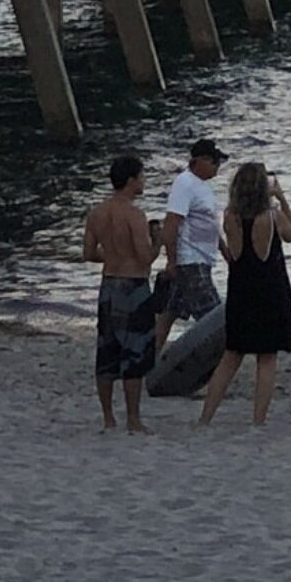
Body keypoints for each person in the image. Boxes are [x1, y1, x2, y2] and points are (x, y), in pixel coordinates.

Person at [198, 163, 291, 427]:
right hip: (270, 290)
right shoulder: (272, 216)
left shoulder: (230, 215)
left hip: (241, 289)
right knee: (266, 358)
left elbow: (233, 253)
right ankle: (258, 420)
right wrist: (281, 197)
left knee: (231, 355)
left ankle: (206, 417)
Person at [83, 155, 157, 433]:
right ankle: (133, 419)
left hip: (109, 283)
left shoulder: (97, 213)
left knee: (107, 350)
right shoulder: (134, 215)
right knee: (134, 353)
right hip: (133, 286)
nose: (144, 181)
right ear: (130, 181)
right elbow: (144, 257)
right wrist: (159, 243)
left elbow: (89, 253)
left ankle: (108, 417)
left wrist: (114, 254)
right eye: (141, 176)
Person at [155, 139, 230, 352]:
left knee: (167, 316)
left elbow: (210, 225)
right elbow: (172, 223)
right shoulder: (185, 182)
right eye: (215, 161)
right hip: (190, 262)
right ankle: (216, 363)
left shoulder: (203, 187)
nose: (217, 166)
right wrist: (171, 261)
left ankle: (148, 362)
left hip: (200, 260)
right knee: (213, 317)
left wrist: (225, 253)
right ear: (201, 160)